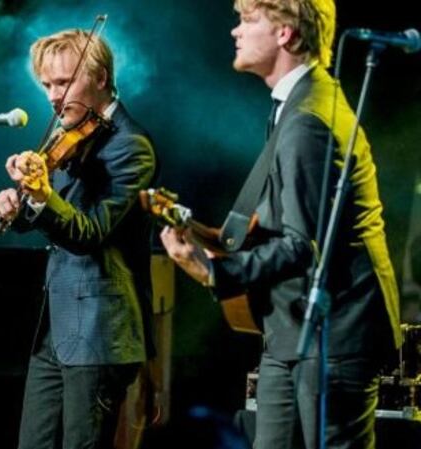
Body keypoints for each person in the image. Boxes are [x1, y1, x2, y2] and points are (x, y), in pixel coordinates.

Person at [160, 1, 401, 448]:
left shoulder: (308, 119)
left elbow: (301, 245)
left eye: (248, 20)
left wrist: (214, 272)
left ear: (286, 33)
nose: (235, 31)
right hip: (292, 329)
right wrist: (204, 236)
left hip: (336, 336)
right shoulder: (296, 104)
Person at [0, 29, 157, 449]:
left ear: (99, 78)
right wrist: (19, 205)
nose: (52, 95)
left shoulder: (130, 146)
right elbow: (47, 213)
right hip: (57, 328)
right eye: (46, 84)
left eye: (62, 83)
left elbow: (89, 232)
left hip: (100, 333)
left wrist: (43, 196)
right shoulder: (70, 133)